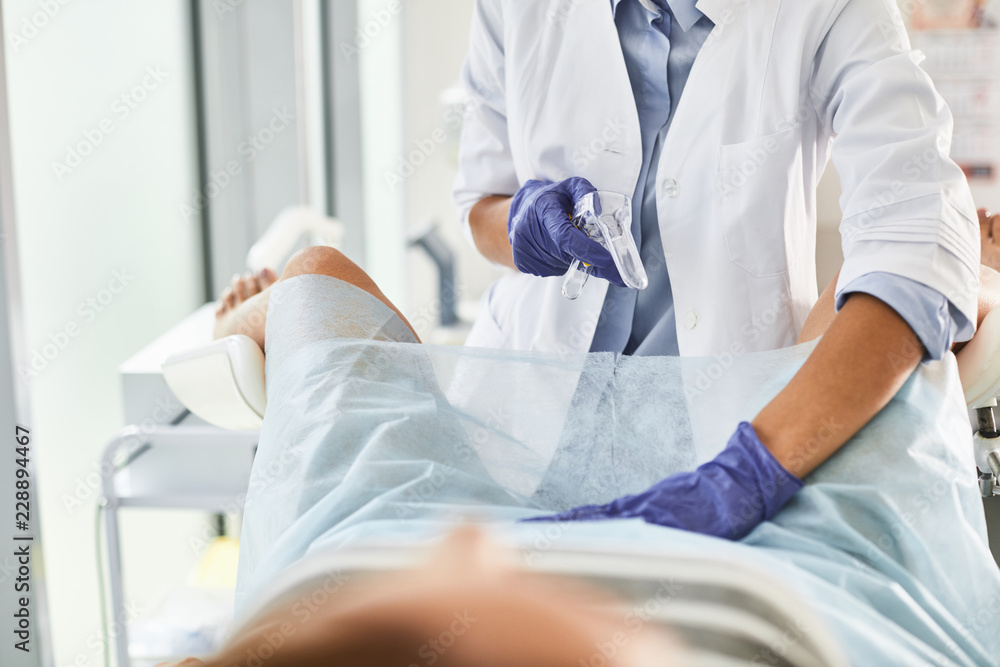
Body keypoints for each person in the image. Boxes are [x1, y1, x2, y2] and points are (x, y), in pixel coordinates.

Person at [159, 236, 1000, 666]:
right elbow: (898, 284)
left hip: (370, 560)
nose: (473, 544)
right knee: (883, 323)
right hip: (789, 597)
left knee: (312, 281)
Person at [451, 0, 986, 517]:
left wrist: (752, 472)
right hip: (519, 427)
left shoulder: (831, 8)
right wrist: (521, 221)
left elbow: (918, 230)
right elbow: (480, 202)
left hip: (728, 437)